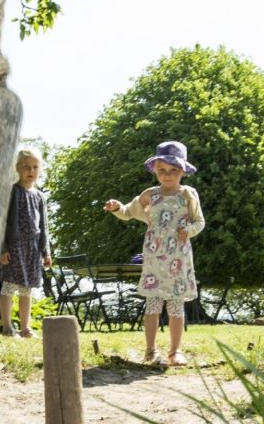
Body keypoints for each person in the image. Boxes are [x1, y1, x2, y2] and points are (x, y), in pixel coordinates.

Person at [103, 141, 205, 365]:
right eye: (162, 170)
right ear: (155, 170)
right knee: (153, 302)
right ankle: (150, 350)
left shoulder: (188, 195)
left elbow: (199, 222)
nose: (167, 175)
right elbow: (129, 212)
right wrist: (117, 207)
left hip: (178, 256)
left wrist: (188, 231)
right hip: (155, 256)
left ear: (183, 171)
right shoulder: (150, 195)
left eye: (173, 170)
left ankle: (175, 351)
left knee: (176, 303)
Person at [0, 148, 52, 338]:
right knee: (9, 286)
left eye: (35, 167)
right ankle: (6, 327)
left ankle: (25, 327)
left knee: (26, 289)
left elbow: (44, 226)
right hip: (14, 246)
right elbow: (2, 222)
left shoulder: (40, 197)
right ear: (18, 169)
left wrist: (46, 252)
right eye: (26, 167)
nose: (31, 170)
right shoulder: (12, 192)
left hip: (33, 248)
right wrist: (2, 248)